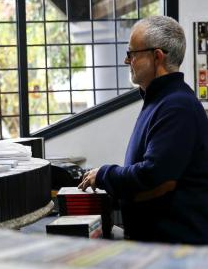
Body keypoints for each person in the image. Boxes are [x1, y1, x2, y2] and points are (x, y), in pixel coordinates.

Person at [78, 16, 208, 245]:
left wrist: (104, 175)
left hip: (175, 250)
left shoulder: (177, 106)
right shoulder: (161, 101)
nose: (126, 60)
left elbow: (156, 177)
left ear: (157, 56)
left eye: (132, 53)